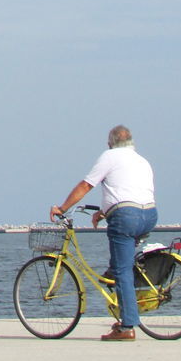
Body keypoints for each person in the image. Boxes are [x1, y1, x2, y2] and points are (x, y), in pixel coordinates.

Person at [49, 124, 157, 341]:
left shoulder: (110, 156)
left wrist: (62, 208)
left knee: (122, 272)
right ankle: (119, 285)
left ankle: (126, 328)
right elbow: (129, 193)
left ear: (111, 143)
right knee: (121, 264)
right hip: (149, 215)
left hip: (126, 217)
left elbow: (86, 185)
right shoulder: (141, 160)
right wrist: (105, 212)